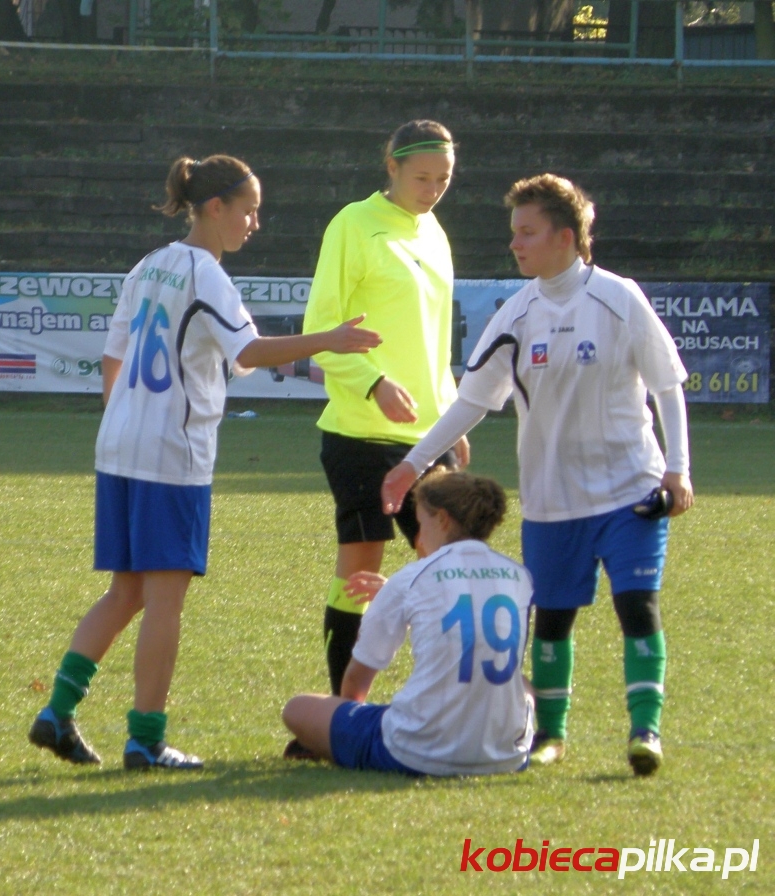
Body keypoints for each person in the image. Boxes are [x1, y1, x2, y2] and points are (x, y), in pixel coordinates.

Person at [28, 154, 381, 771]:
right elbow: (252, 351)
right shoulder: (205, 273)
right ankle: (145, 739)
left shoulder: (149, 264)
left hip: (120, 446)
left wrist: (127, 418)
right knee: (164, 599)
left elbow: (113, 357)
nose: (254, 223)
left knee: (125, 592)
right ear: (215, 207)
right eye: (249, 210)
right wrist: (330, 338)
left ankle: (57, 712)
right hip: (171, 454)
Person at [382, 173, 694, 776]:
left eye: (527, 232)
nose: (515, 244)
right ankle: (551, 735)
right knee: (551, 620)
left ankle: (645, 731)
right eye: (514, 232)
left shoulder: (619, 298)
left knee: (638, 605)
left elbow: (667, 384)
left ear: (565, 238)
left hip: (631, 489)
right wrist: (411, 464)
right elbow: (473, 402)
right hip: (553, 500)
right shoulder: (517, 313)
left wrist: (677, 469)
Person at [301, 119, 469, 699]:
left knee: (450, 566)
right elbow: (322, 328)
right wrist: (373, 384)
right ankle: (345, 711)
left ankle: (445, 702)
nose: (433, 189)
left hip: (429, 436)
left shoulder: (435, 232)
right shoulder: (354, 224)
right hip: (360, 435)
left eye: (443, 178)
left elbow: (435, 339)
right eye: (422, 177)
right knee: (359, 571)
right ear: (391, 166)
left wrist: (452, 413)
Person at [282, 470, 534, 776]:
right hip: (507, 755)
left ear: (442, 520)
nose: (419, 537)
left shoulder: (413, 578)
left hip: (417, 752)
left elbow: (357, 679)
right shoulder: (518, 575)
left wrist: (343, 724)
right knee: (521, 682)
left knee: (297, 708)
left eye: (421, 523)